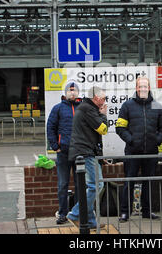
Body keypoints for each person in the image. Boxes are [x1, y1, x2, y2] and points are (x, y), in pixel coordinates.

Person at [116, 76, 162, 222]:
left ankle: (147, 211)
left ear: (149, 88)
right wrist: (130, 140)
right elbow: (120, 127)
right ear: (136, 88)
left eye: (145, 86)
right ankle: (125, 212)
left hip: (151, 152)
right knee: (129, 182)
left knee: (148, 182)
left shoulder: (157, 106)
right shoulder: (127, 106)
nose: (143, 89)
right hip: (132, 152)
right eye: (140, 86)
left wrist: (157, 140)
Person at [67, 86, 108, 230]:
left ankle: (90, 221)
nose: (104, 102)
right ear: (96, 98)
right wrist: (104, 115)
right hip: (85, 152)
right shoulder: (88, 109)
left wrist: (100, 155)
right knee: (96, 185)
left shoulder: (85, 108)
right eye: (103, 98)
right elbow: (103, 129)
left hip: (85, 151)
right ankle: (75, 213)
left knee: (91, 186)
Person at [47, 82, 81, 225]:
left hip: (80, 152)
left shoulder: (84, 108)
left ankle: (79, 213)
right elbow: (50, 127)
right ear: (65, 93)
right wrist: (56, 146)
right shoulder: (58, 108)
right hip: (63, 153)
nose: (72, 93)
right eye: (69, 91)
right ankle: (62, 214)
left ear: (78, 93)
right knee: (63, 184)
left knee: (81, 184)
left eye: (74, 91)